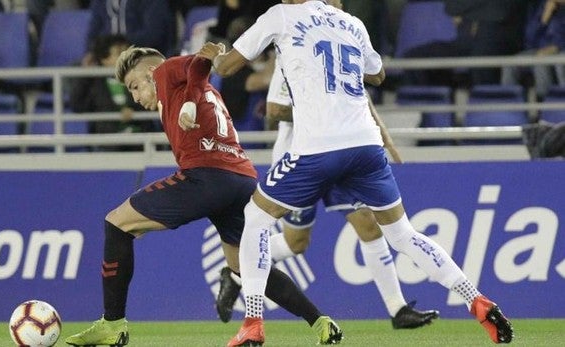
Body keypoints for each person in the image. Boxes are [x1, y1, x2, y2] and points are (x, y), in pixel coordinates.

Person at [202, 1, 514, 345]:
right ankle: (478, 300)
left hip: (316, 148)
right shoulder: (351, 23)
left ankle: (253, 322)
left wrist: (212, 54)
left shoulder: (281, 16)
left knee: (255, 217)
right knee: (402, 234)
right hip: (365, 146)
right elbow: (378, 74)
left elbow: (228, 68)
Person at [64, 46, 343, 347]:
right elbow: (199, 73)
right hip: (243, 180)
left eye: (134, 86)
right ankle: (321, 323)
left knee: (116, 224)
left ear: (149, 74)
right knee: (244, 266)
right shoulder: (197, 92)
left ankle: (112, 324)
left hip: (206, 177)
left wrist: (188, 104)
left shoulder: (166, 71)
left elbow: (200, 62)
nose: (134, 96)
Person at [215, 4, 438, 327]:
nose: (335, 9)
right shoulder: (292, 45)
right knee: (296, 243)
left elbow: (361, 98)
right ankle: (235, 272)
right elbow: (276, 109)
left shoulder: (339, 41)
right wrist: (320, 112)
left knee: (368, 224)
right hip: (301, 155)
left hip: (342, 153)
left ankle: (397, 308)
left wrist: (381, 137)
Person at [70, 34, 153, 151]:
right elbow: (77, 105)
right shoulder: (95, 84)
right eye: (119, 54)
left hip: (141, 142)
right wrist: (85, 75)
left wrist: (133, 113)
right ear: (104, 59)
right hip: (108, 144)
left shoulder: (141, 80)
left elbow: (152, 105)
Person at [501, 0, 565, 99]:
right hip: (538, 50)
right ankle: (509, 103)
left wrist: (557, 46)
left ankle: (542, 105)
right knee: (510, 64)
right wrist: (544, 19)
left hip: (560, 50)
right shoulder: (542, 6)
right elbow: (530, 37)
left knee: (541, 63)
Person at [86, 0, 177, 57]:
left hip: (142, 54)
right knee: (81, 70)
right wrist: (92, 52)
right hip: (106, 56)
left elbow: (154, 34)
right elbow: (93, 32)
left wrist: (121, 46)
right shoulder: (100, 2)